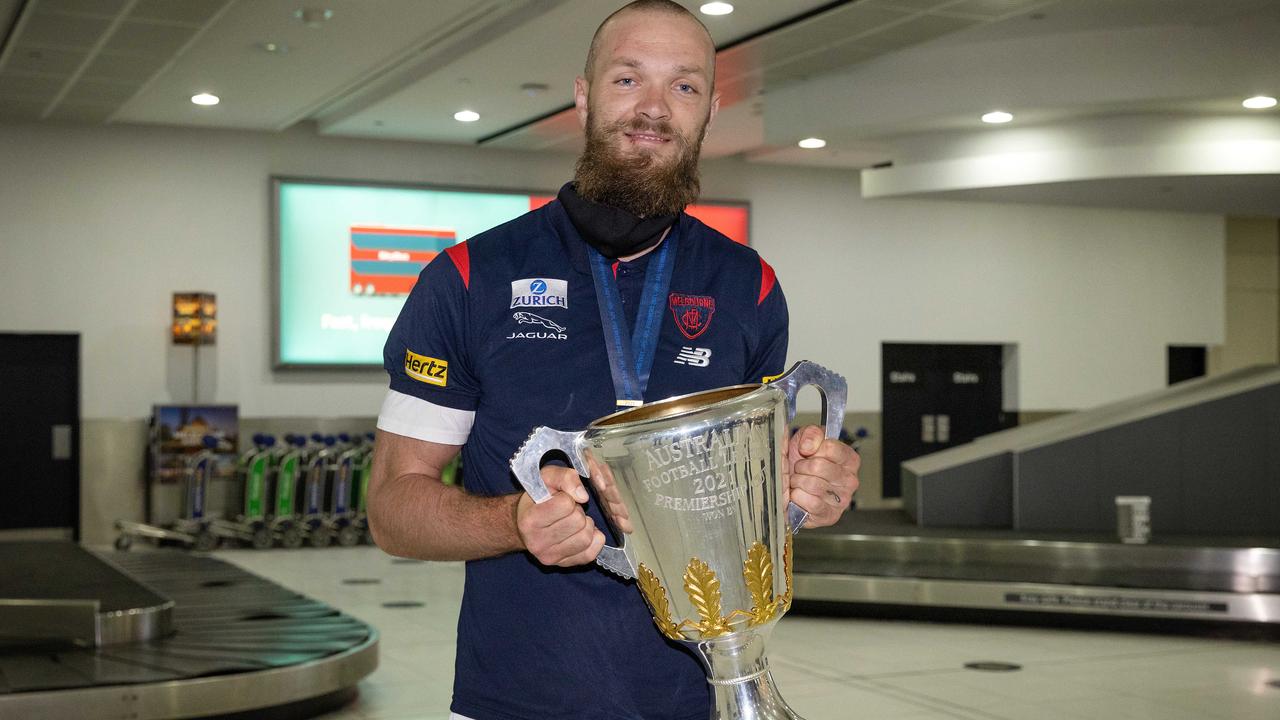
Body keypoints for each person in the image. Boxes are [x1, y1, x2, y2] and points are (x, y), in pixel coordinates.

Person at [368, 2, 860, 718]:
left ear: (712, 109)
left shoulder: (746, 284)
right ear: (584, 95)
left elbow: (756, 496)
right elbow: (392, 509)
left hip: (702, 698)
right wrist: (514, 522)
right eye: (628, 79)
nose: (654, 109)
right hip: (516, 699)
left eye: (684, 87)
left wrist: (811, 487)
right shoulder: (471, 277)